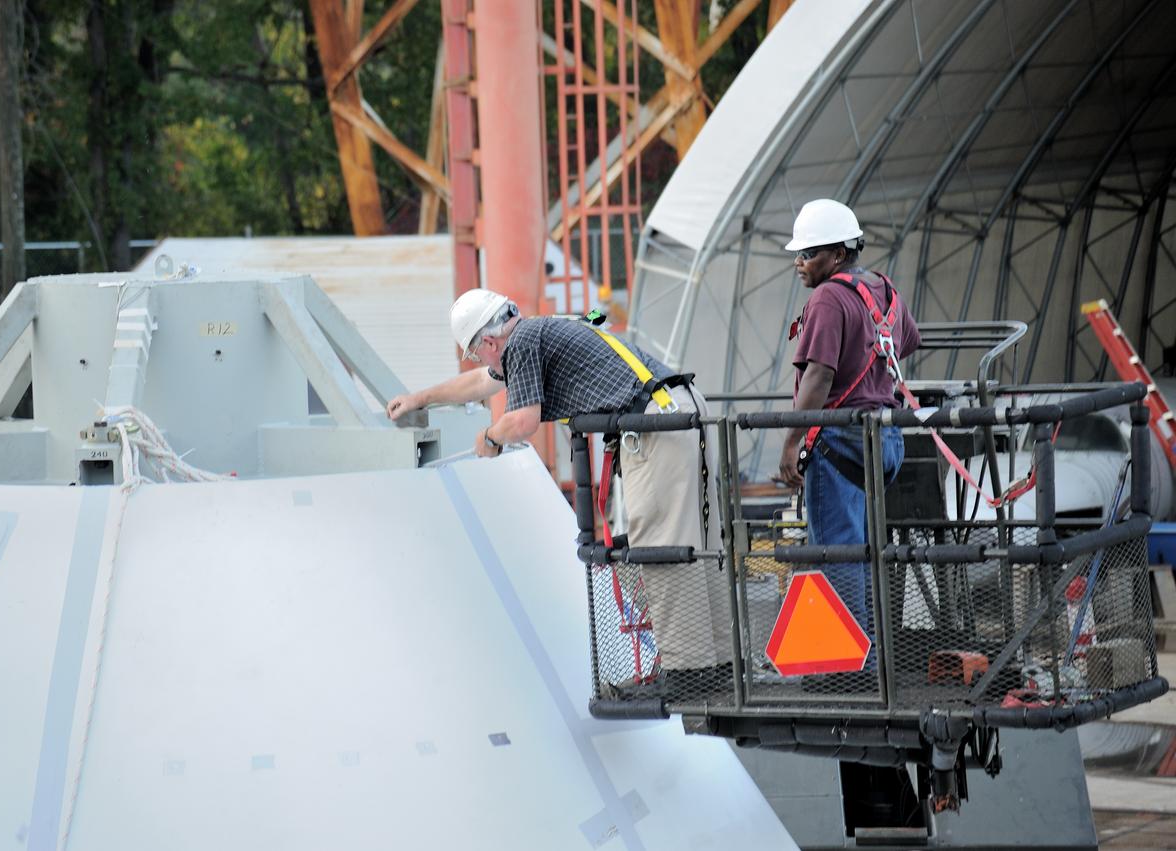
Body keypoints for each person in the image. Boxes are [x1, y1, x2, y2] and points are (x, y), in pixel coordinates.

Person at [386, 289, 732, 695]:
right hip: (684, 407)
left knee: (661, 545)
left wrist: (490, 437)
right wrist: (421, 398)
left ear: (491, 342)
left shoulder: (522, 345)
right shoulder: (542, 331)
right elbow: (483, 382)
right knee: (700, 542)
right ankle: (719, 666)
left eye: (478, 352)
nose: (483, 362)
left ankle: (687, 674)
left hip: (658, 426)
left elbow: (523, 421)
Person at [773, 199, 921, 675]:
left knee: (837, 553)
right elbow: (909, 342)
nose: (799, 263)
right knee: (865, 550)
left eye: (809, 254)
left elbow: (817, 378)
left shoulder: (827, 299)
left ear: (838, 254)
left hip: (840, 443)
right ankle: (871, 657)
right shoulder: (885, 290)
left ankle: (852, 668)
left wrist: (790, 445)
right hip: (885, 443)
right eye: (798, 254)